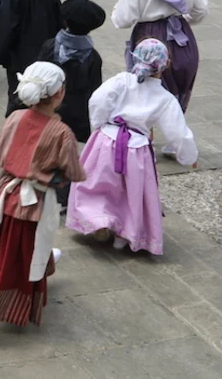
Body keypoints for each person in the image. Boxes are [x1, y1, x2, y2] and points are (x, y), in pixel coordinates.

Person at [0, 61, 84, 342]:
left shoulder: (16, 117)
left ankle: (45, 260)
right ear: (59, 93)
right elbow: (73, 172)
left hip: (6, 194)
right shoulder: (62, 133)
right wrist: (53, 177)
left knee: (8, 247)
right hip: (32, 203)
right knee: (12, 260)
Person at [66, 38, 198, 254]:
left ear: (135, 57)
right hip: (137, 149)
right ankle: (124, 234)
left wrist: (100, 123)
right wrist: (189, 156)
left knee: (99, 183)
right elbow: (178, 133)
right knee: (131, 192)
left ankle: (100, 220)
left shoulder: (121, 81)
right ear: (165, 65)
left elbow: (98, 100)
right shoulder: (165, 98)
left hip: (106, 140)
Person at [111, 0, 209, 116]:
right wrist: (184, 21)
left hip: (148, 40)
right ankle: (176, 127)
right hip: (182, 39)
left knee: (146, 96)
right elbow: (201, 9)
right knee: (176, 101)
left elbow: (122, 20)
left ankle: (146, 131)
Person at [36, 0, 105, 205]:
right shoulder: (93, 57)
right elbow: (95, 91)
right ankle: (64, 196)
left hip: (47, 110)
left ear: (65, 21)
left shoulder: (50, 47)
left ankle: (40, 186)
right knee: (67, 154)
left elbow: (38, 75)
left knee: (45, 148)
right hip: (77, 115)